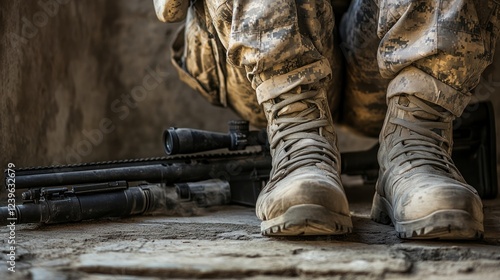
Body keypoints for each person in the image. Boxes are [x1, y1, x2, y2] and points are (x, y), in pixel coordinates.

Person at [153, 0, 499, 239]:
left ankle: (415, 147)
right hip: (262, 68)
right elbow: (169, 8)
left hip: (387, 69)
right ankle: (301, 145)